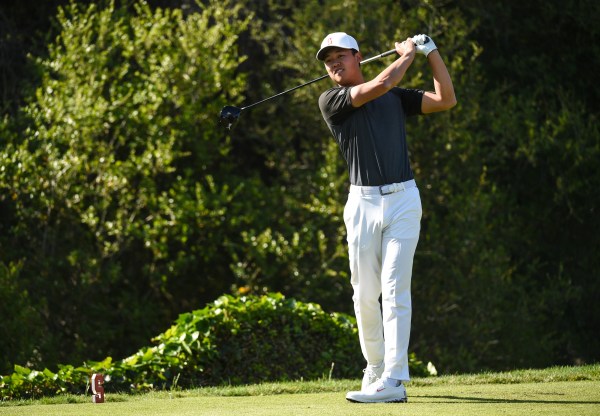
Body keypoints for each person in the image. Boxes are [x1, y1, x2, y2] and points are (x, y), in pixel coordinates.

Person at [316, 32, 456, 403]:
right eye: (327, 60)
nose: (333, 64)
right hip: (361, 204)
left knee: (396, 290)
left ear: (357, 56)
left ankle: (394, 379)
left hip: (403, 200)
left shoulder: (394, 98)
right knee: (365, 294)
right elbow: (382, 81)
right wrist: (408, 54)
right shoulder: (332, 100)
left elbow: (446, 99)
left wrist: (431, 54)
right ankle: (375, 367)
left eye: (339, 56)